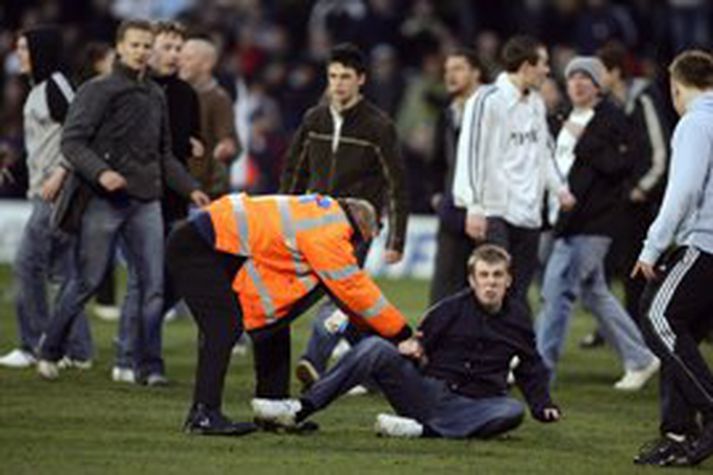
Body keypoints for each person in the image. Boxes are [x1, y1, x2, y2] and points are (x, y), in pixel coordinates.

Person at [35, 19, 209, 382]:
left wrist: (189, 187)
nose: (143, 52)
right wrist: (101, 173)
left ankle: (149, 366)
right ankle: (50, 347)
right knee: (86, 282)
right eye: (136, 45)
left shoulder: (155, 95)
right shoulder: (96, 90)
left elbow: (163, 155)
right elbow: (72, 143)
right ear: (120, 47)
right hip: (103, 200)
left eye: (147, 46)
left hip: (146, 200)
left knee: (153, 285)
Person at [252, 245, 561, 439]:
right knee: (375, 348)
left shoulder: (519, 320)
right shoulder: (449, 309)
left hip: (478, 404)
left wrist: (542, 405)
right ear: (472, 279)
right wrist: (414, 349)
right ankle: (299, 409)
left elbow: (530, 367)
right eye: (484, 275)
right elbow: (419, 343)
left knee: (511, 411)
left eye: (497, 276)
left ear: (508, 280)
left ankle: (419, 430)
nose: (490, 282)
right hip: (427, 393)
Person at [165, 193, 412, 435]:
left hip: (214, 241)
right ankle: (203, 414)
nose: (356, 247)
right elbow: (355, 290)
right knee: (222, 329)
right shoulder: (330, 232)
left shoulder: (322, 212)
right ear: (358, 227)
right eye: (361, 240)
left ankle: (274, 412)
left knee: (273, 323)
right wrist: (402, 333)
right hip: (200, 246)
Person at [280, 43, 409, 392]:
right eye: (333, 76)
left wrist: (397, 240)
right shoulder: (314, 119)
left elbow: (397, 184)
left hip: (358, 229)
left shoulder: (379, 126)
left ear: (361, 80)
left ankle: (313, 361)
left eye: (345, 77)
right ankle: (381, 368)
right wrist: (283, 218)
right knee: (352, 302)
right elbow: (295, 170)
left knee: (338, 294)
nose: (338, 84)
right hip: (313, 224)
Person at [534, 56, 659, 391]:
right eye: (572, 78)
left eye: (584, 78)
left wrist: (585, 139)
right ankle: (640, 358)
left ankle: (540, 368)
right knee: (593, 293)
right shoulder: (563, 116)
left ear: (598, 84)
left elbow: (622, 164)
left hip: (594, 221)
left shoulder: (612, 117)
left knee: (557, 290)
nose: (576, 83)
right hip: (563, 220)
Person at [632, 50, 713, 467]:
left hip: (705, 244)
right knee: (679, 336)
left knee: (656, 318)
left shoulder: (696, 122)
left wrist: (652, 247)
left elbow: (682, 192)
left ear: (676, 87)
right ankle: (679, 432)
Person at [111, 20, 204, 384]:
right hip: (140, 199)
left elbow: (182, 145)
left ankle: (136, 349)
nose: (173, 55)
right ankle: (132, 357)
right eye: (166, 47)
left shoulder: (185, 95)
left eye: (178, 48)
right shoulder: (138, 90)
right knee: (143, 282)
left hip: (175, 200)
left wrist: (196, 148)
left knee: (173, 281)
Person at [0, 26, 93, 369]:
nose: (18, 54)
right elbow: (48, 140)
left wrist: (60, 171)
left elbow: (82, 131)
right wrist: (15, 162)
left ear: (40, 50)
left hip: (57, 192)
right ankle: (79, 351)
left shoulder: (56, 85)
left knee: (27, 264)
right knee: (63, 270)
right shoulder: (41, 87)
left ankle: (34, 344)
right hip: (47, 188)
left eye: (24, 48)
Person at [452, 35, 564, 319]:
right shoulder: (487, 100)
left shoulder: (536, 103)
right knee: (492, 286)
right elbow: (471, 153)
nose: (547, 71)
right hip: (494, 210)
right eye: (544, 64)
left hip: (528, 212)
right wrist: (475, 206)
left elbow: (545, 150)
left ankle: (509, 356)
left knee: (517, 290)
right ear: (527, 66)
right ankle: (484, 354)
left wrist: (560, 188)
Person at [579, 42, 670, 349]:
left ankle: (646, 337)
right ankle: (618, 330)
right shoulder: (610, 104)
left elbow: (659, 151)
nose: (594, 76)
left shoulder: (643, 98)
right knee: (607, 271)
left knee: (637, 274)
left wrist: (643, 188)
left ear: (615, 72)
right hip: (619, 200)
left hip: (641, 201)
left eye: (600, 70)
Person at [428, 48, 484, 305]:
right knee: (445, 280)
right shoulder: (447, 113)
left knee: (490, 278)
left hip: (487, 206)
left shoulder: (492, 108)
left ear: (476, 73)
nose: (450, 75)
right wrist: (437, 195)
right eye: (448, 70)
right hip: (453, 205)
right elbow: (437, 159)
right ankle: (436, 339)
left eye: (458, 69)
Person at [179, 36, 240, 199]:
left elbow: (229, 140)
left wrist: (225, 148)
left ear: (207, 64)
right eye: (181, 57)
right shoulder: (175, 93)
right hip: (179, 183)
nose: (181, 62)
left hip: (205, 189)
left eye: (188, 58)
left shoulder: (218, 99)